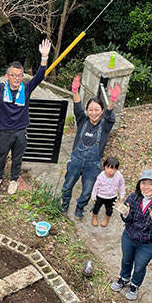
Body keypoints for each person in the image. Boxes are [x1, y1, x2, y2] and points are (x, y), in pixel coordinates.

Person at [0, 39, 52, 195]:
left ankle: (13, 179)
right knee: (0, 157)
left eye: (19, 75)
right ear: (7, 76)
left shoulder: (26, 88)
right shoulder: (0, 89)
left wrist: (44, 58)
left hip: (20, 131)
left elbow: (39, 77)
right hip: (3, 131)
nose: (16, 78)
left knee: (17, 158)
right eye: (13, 75)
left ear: (22, 77)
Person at [60, 74, 121, 219]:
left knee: (87, 190)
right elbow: (77, 108)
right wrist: (75, 91)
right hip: (76, 160)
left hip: (93, 164)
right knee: (67, 185)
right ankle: (64, 205)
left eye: (97, 109)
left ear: (101, 111)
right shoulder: (82, 120)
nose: (94, 113)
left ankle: (80, 208)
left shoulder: (105, 125)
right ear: (87, 110)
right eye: (91, 109)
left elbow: (110, 115)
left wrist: (112, 101)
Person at [110, 170, 152, 301]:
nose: (146, 187)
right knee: (126, 260)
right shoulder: (133, 197)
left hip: (148, 244)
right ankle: (124, 278)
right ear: (139, 184)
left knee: (139, 266)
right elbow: (128, 220)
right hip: (129, 237)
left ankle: (135, 285)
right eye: (144, 183)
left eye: (151, 184)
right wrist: (125, 214)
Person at [90, 156, 125, 227]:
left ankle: (107, 218)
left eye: (113, 169)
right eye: (107, 167)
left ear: (116, 169)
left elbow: (121, 185)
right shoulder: (101, 176)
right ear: (104, 167)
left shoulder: (119, 176)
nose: (110, 170)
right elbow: (95, 187)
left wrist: (122, 195)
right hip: (100, 195)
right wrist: (93, 196)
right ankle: (94, 216)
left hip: (112, 196)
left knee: (109, 209)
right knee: (96, 207)